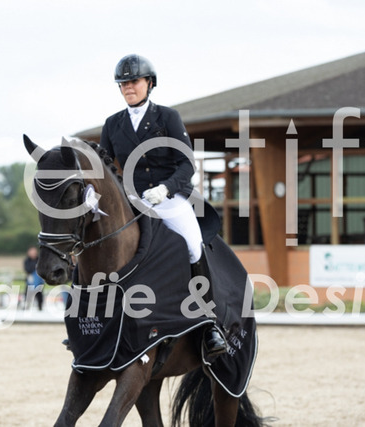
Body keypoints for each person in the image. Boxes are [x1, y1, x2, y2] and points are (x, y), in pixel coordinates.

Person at [99, 54, 226, 357]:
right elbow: (104, 167)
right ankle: (95, 322)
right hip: (133, 201)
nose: (128, 87)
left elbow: (187, 163)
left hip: (168, 198)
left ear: (149, 83)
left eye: (134, 81)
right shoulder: (113, 124)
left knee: (193, 245)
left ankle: (208, 322)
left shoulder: (167, 117)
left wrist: (166, 188)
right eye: (123, 84)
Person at [23, 246, 45, 311]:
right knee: (28, 293)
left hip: (39, 280)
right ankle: (27, 306)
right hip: (30, 280)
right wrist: (35, 266)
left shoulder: (40, 260)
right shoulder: (27, 260)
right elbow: (27, 269)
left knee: (39, 293)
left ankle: (40, 306)